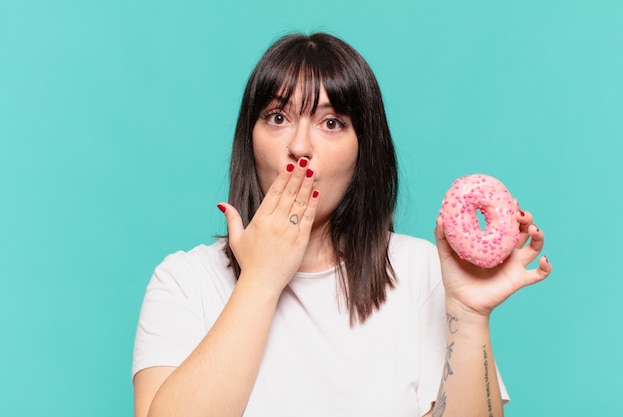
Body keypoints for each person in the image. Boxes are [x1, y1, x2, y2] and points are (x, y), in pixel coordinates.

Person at [132, 32, 551, 417]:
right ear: (250, 138)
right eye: (277, 117)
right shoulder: (184, 281)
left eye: (331, 123)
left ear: (363, 152)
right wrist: (260, 279)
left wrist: (468, 313)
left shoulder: (421, 272)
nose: (299, 146)